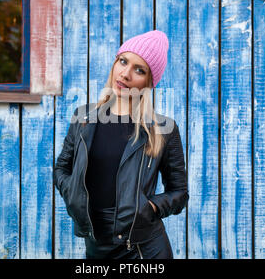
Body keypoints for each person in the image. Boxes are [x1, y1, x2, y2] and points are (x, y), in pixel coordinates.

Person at [53, 30, 188, 259]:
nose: (125, 74)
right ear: (115, 63)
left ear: (149, 82)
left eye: (139, 69)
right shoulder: (83, 119)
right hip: (95, 245)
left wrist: (149, 207)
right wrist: (73, 195)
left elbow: (179, 192)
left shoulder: (163, 129)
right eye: (123, 61)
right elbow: (61, 169)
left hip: (143, 249)